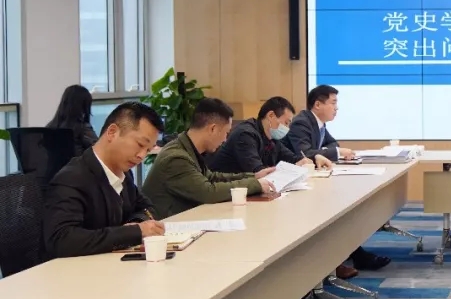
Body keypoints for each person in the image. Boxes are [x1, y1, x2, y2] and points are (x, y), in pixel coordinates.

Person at [286, 85, 391, 273]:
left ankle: (349, 256)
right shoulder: (302, 123)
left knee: (340, 211)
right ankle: (341, 261)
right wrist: (336, 152)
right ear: (318, 104)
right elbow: (306, 153)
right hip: (293, 184)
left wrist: (333, 150)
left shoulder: (318, 123)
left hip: (313, 179)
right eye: (333, 103)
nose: (337, 108)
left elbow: (332, 144)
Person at [43, 102, 166, 259]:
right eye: (140, 144)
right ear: (112, 132)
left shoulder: (124, 174)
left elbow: (147, 208)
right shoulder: (72, 178)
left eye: (148, 150)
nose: (142, 155)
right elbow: (61, 240)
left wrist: (137, 223)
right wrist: (133, 232)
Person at [142, 98, 277, 219]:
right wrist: (255, 185)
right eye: (226, 133)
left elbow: (211, 177)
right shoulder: (176, 158)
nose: (225, 140)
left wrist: (254, 176)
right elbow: (208, 192)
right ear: (213, 129)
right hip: (164, 229)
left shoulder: (188, 148)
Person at [208, 96, 333, 175]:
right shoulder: (245, 135)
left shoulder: (272, 138)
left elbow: (293, 158)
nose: (287, 128)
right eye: (286, 123)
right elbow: (258, 172)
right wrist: (293, 169)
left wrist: (314, 158)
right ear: (271, 116)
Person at [45, 84, 98, 156]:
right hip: (78, 163)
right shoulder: (83, 128)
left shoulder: (49, 127)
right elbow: (101, 150)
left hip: (55, 164)